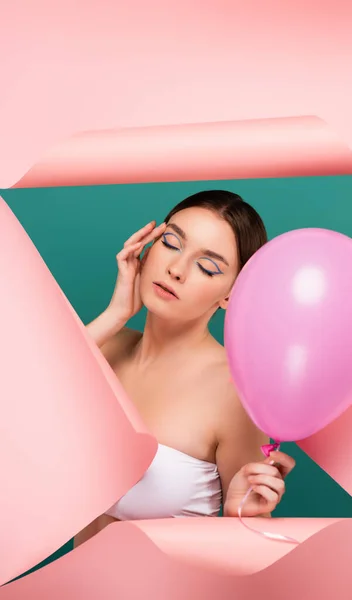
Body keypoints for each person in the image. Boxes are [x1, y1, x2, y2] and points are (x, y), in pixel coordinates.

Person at [74, 190, 296, 547]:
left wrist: (242, 515)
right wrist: (114, 316)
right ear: (145, 247)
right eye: (172, 243)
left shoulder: (234, 393)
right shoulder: (102, 348)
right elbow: (18, 410)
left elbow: (252, 546)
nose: (176, 270)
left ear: (230, 294)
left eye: (207, 267)